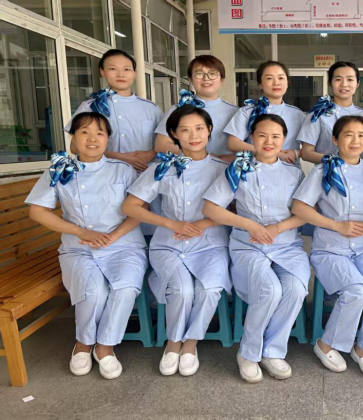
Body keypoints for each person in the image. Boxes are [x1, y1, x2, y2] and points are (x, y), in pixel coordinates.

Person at [26, 112, 148, 380]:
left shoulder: (123, 170)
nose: (92, 138)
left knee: (125, 288)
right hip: (78, 247)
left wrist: (112, 237)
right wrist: (81, 231)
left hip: (124, 245)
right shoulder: (59, 170)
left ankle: (104, 347)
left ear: (107, 139)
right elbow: (37, 211)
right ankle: (83, 343)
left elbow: (140, 210)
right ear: (73, 139)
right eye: (84, 132)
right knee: (93, 291)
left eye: (100, 133)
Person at [122, 105, 231, 377]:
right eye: (185, 130)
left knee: (209, 289)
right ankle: (173, 343)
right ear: (173, 134)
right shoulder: (163, 168)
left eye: (199, 128)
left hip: (211, 243)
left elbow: (238, 211)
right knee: (182, 290)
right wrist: (171, 224)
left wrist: (203, 224)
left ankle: (190, 344)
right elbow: (130, 206)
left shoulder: (224, 169)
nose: (193, 135)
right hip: (168, 243)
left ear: (209, 130)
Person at [203, 114, 310, 383]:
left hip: (286, 245)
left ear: (284, 139)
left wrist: (278, 228)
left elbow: (305, 213)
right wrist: (249, 225)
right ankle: (249, 353)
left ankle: (273, 351)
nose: (268, 141)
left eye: (276, 136)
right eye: (262, 135)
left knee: (295, 289)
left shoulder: (294, 172)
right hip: (248, 245)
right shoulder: (238, 169)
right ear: (251, 137)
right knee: (269, 289)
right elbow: (211, 208)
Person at [292, 116, 363, 378]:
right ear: (335, 140)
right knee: (357, 292)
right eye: (348, 135)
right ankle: (326, 344)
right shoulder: (322, 170)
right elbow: (300, 207)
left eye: (361, 135)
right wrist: (336, 225)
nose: (355, 141)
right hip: (331, 248)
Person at [65, 49, 163, 173]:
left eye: (126, 69)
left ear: (135, 73)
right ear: (102, 72)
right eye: (113, 69)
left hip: (143, 177)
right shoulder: (91, 107)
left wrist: (152, 153)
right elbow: (75, 148)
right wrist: (119, 157)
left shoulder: (151, 108)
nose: (120, 74)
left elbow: (170, 143)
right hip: (104, 176)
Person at [154, 55, 238, 163]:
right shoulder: (179, 109)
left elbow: (249, 148)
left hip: (226, 169)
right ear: (191, 79)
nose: (206, 78)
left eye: (212, 74)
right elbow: (161, 145)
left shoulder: (237, 113)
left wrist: (222, 160)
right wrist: (200, 156)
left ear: (222, 79)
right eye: (199, 74)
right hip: (187, 169)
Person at [225, 60, 304, 165]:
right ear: (260, 84)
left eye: (281, 78)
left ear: (287, 83)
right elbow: (233, 143)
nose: (276, 83)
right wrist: (274, 153)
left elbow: (312, 146)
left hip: (290, 171)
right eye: (269, 78)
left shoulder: (297, 114)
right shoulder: (248, 111)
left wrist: (297, 153)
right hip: (255, 170)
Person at [297, 61, 363, 164]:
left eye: (350, 79)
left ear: (357, 84)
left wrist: (356, 166)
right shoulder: (317, 114)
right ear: (329, 83)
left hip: (360, 173)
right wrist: (335, 162)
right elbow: (306, 153)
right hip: (327, 172)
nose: (344, 84)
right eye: (338, 79)